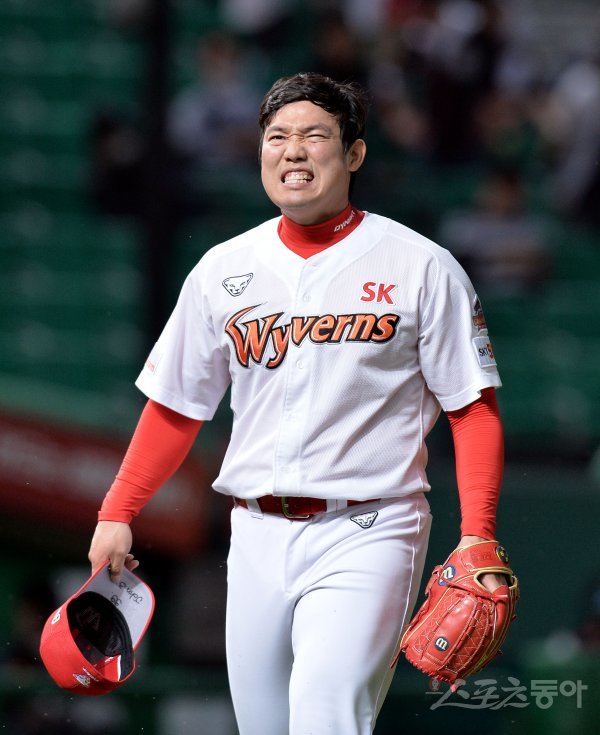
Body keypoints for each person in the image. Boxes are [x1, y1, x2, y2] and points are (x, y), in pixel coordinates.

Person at [88, 72, 507, 735]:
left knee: (325, 714)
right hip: (254, 530)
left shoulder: (421, 265)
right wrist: (117, 511)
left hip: (370, 525)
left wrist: (478, 530)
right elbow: (177, 407)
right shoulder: (223, 269)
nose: (293, 150)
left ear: (354, 153)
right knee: (263, 726)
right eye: (277, 136)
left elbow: (471, 407)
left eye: (314, 135)